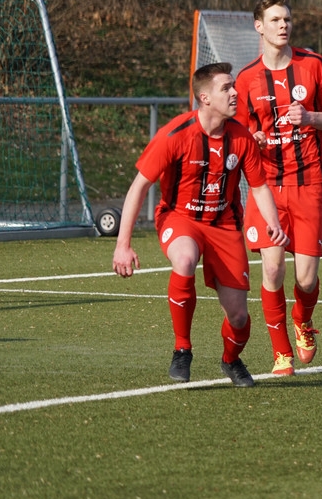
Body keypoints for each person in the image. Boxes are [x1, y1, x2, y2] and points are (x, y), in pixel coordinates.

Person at [112, 62, 289, 387]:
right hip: (180, 218)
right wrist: (123, 244)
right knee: (184, 259)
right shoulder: (175, 134)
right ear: (205, 98)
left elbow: (259, 186)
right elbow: (139, 187)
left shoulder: (241, 137)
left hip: (224, 226)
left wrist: (273, 223)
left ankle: (231, 360)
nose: (235, 93)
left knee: (239, 316)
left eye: (234, 86)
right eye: (226, 88)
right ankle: (182, 349)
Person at [234, 0, 322, 376]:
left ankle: (303, 319)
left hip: (308, 183)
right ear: (259, 26)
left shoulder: (312, 65)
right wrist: (252, 139)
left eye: (287, 19)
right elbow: (238, 132)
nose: (283, 26)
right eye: (276, 20)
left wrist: (311, 118)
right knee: (272, 269)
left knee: (306, 277)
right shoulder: (247, 78)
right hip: (266, 186)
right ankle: (281, 352)